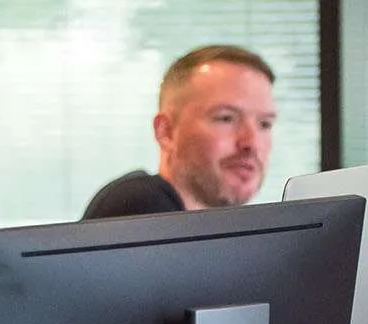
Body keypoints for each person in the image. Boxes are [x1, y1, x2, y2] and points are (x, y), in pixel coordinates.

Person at [83, 44, 277, 220]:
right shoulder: (140, 208)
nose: (251, 143)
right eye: (226, 118)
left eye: (264, 124)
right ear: (166, 131)